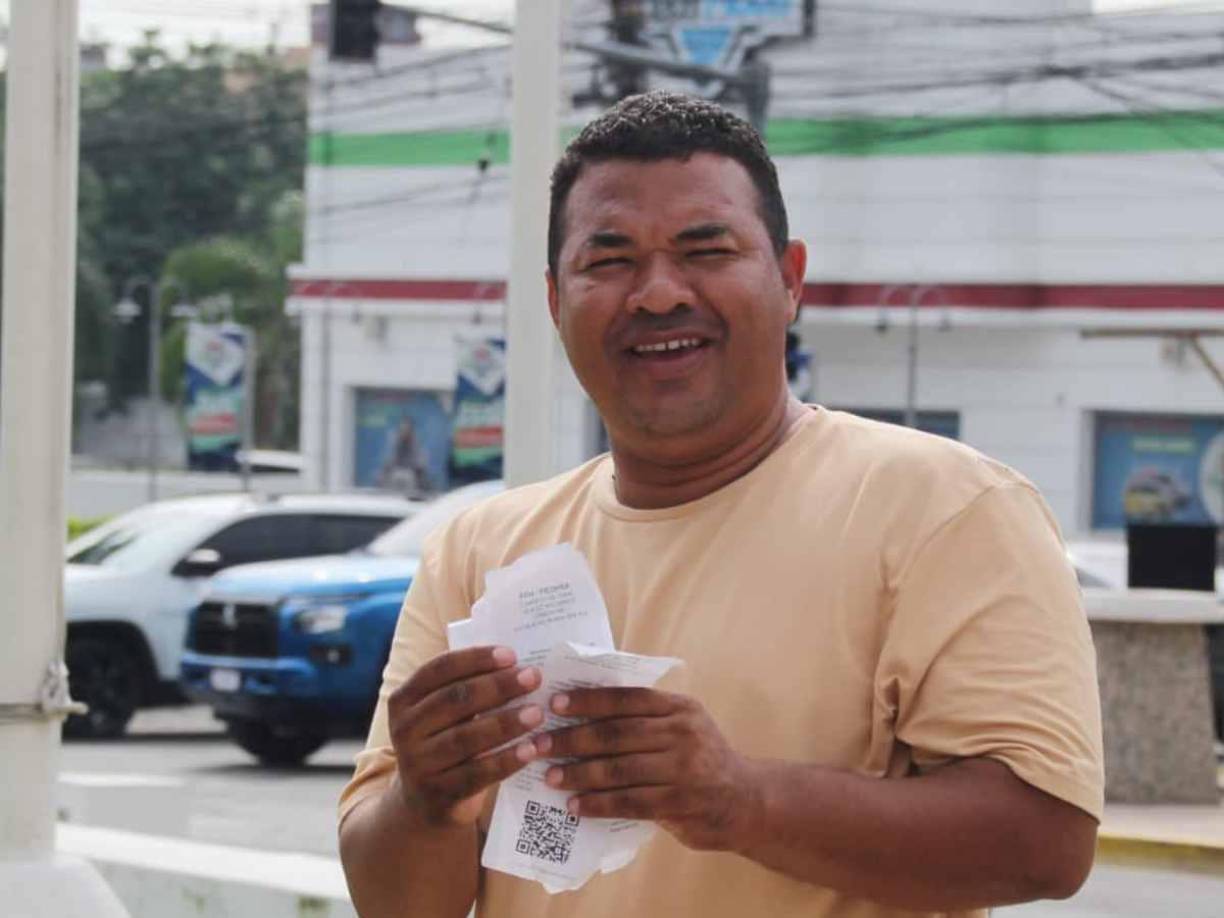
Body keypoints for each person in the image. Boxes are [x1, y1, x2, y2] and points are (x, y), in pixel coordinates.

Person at [338, 91, 1103, 918]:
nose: (659, 293)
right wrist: (425, 800)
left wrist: (737, 800)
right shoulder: (479, 550)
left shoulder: (947, 509)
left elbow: (1044, 842)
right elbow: (398, 903)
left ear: (791, 278)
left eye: (706, 250)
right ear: (557, 303)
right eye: (610, 260)